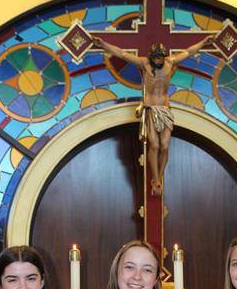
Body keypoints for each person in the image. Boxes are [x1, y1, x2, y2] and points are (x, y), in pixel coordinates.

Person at [93, 33, 219, 194]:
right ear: (152, 57)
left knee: (165, 146)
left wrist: (203, 42)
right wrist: (104, 44)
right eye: (156, 58)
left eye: (160, 58)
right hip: (151, 109)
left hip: (165, 109)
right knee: (154, 145)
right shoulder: (143, 63)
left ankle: (159, 176)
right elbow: (122, 54)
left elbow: (189, 52)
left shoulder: (170, 62)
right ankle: (155, 178)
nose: (158, 61)